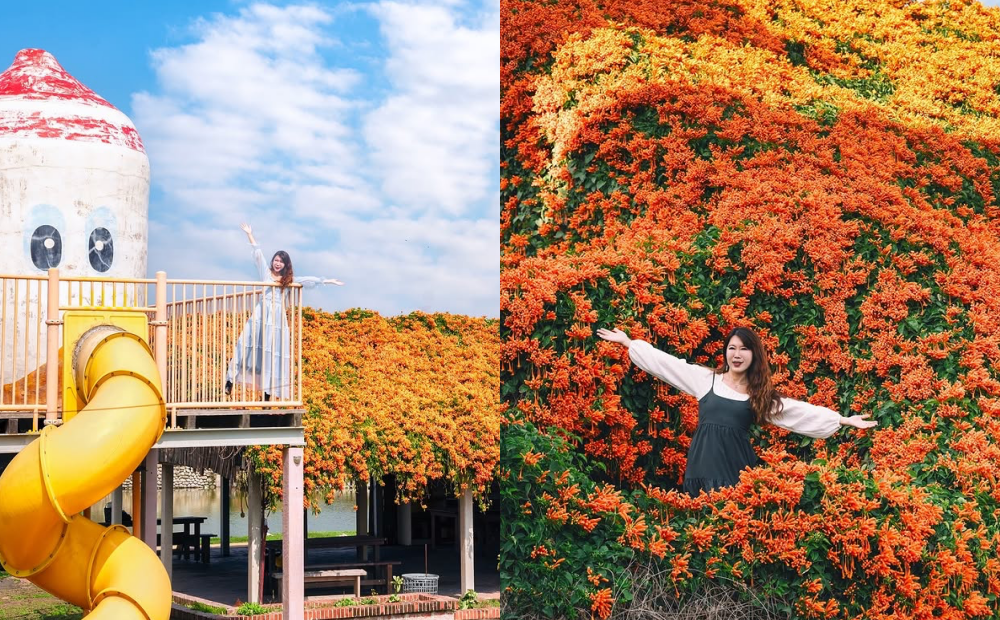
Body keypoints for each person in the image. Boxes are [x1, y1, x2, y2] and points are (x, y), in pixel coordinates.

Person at [596, 326, 876, 496]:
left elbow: (796, 412)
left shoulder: (759, 397)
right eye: (732, 348)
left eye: (744, 349)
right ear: (726, 353)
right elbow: (669, 364)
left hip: (735, 470)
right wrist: (630, 343)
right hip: (702, 465)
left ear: (754, 355)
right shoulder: (706, 380)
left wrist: (841, 419)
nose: (737, 354)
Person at [225, 222, 343, 401]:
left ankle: (267, 392)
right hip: (260, 314)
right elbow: (258, 255)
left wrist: (326, 281)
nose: (277, 263)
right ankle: (230, 379)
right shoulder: (266, 273)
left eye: (281, 261)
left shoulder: (288, 280)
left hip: (277, 320)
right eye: (276, 260)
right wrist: (250, 235)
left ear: (286, 264)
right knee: (244, 342)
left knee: (271, 352)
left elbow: (307, 280)